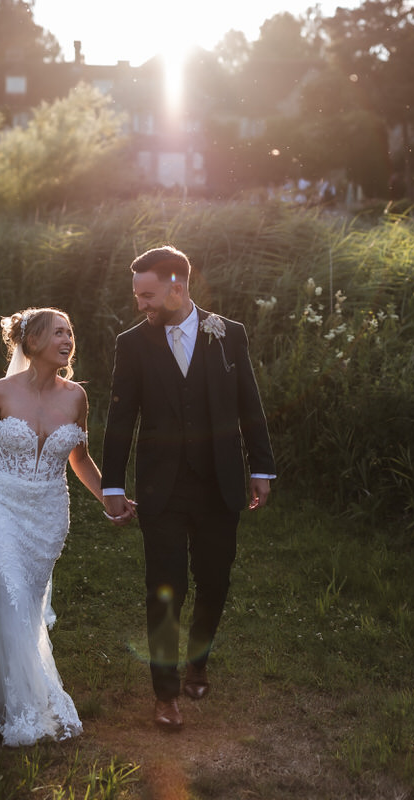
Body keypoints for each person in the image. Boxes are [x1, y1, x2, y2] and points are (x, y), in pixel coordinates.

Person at [0, 307, 129, 746]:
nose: (68, 338)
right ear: (32, 342)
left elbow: (80, 458)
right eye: (59, 332)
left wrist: (110, 498)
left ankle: (1, 664)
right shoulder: (0, 391)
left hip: (48, 512)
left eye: (70, 332)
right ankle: (23, 706)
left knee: (28, 600)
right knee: (12, 593)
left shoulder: (77, 396)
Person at [102, 246, 276, 731]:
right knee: (165, 589)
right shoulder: (132, 344)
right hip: (162, 489)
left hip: (220, 483)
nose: (141, 304)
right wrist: (113, 483)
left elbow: (250, 406)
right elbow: (120, 418)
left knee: (215, 580)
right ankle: (165, 694)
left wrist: (262, 468)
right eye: (137, 295)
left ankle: (198, 658)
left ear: (177, 286)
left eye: (148, 295)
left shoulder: (229, 335)